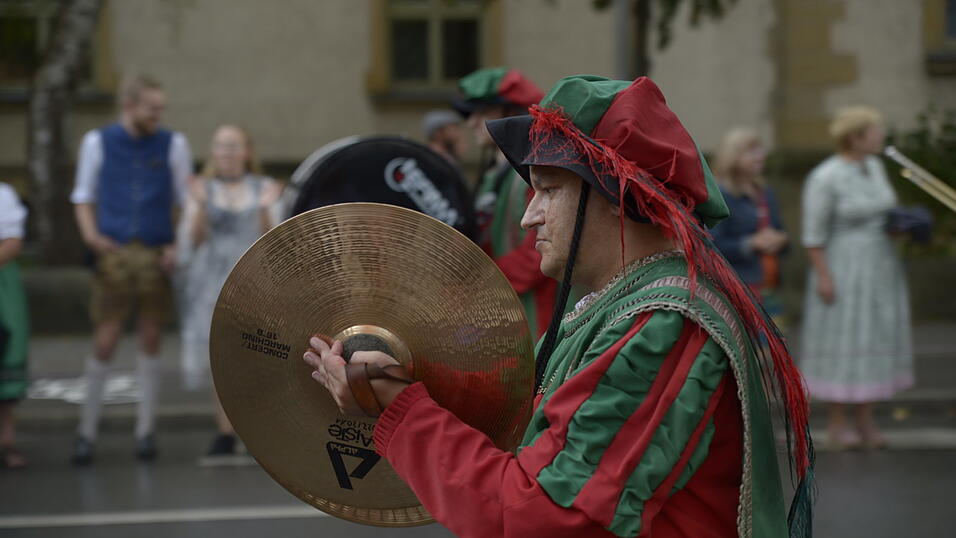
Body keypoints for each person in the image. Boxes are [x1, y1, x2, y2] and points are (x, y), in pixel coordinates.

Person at [304, 76, 813, 537]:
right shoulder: (614, 302)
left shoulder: (660, 324)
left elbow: (540, 516)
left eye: (548, 190)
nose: (529, 217)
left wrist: (397, 406)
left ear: (617, 195)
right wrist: (394, 378)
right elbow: (526, 415)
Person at [70, 74, 193, 464]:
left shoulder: (173, 143)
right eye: (151, 107)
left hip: (155, 253)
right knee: (105, 338)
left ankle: (146, 431)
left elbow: (185, 201)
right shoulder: (97, 141)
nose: (158, 114)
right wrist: (92, 238)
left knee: (151, 336)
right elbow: (83, 197)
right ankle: (86, 431)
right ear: (129, 105)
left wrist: (176, 244)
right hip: (115, 255)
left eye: (160, 108)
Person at [800, 105, 913, 450]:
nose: (880, 137)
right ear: (855, 137)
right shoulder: (826, 176)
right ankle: (837, 422)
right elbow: (813, 232)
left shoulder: (875, 168)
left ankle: (866, 419)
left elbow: (882, 212)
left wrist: (901, 227)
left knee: (876, 334)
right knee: (844, 337)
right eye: (874, 131)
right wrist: (823, 275)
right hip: (844, 264)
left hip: (879, 263)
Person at [177, 124, 283, 460]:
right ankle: (225, 431)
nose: (227, 153)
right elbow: (193, 241)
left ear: (246, 151)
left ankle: (256, 429)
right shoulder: (202, 189)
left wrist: (267, 207)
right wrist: (197, 206)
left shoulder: (265, 188)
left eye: (233, 146)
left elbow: (275, 238)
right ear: (213, 152)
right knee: (220, 358)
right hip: (213, 281)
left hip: (254, 280)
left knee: (255, 356)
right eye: (221, 146)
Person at [456, 67, 555, 337]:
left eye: (482, 112)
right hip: (504, 308)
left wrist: (481, 285)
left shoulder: (533, 174)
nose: (471, 122)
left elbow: (538, 255)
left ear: (512, 113)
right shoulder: (492, 177)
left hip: (535, 315)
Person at [710, 128, 788, 322]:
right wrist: (751, 243)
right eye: (751, 151)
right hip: (736, 286)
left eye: (760, 150)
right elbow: (712, 244)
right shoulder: (720, 195)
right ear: (732, 156)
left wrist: (781, 239)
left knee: (774, 348)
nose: (760, 156)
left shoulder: (764, 192)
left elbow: (780, 232)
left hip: (768, 285)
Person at [0, 182, 29, 469]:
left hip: (1, 285)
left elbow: (12, 242)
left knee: (6, 355)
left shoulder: (3, 195)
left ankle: (6, 441)